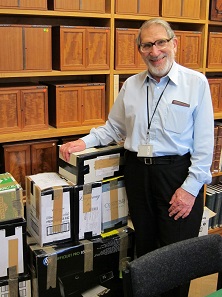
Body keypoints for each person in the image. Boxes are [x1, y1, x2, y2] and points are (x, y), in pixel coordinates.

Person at [60, 18, 214, 297]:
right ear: (139, 50)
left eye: (160, 42)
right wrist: (82, 141)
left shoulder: (196, 84)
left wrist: (190, 190)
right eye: (147, 45)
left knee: (175, 255)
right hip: (137, 173)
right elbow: (113, 128)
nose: (155, 51)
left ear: (174, 43)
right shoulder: (130, 85)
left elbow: (205, 146)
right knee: (145, 246)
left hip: (176, 176)